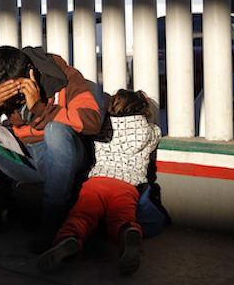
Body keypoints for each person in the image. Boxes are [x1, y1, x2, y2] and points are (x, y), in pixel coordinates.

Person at [0, 46, 102, 243]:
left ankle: (53, 223)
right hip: (27, 158)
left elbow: (92, 121)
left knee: (55, 129)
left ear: (30, 71)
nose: (14, 99)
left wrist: (41, 108)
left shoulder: (64, 76)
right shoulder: (4, 78)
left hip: (63, 156)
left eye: (17, 90)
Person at [37, 89, 161, 275]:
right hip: (126, 185)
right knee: (121, 218)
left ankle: (69, 238)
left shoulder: (102, 126)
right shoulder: (150, 131)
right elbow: (156, 133)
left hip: (96, 182)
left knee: (81, 216)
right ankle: (126, 232)